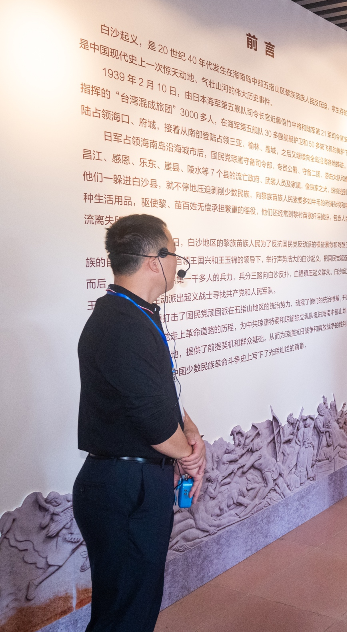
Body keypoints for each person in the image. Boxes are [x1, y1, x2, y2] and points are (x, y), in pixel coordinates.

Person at [73, 214, 207, 632]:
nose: (178, 264)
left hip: (136, 480)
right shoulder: (119, 324)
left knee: (135, 604)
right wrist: (189, 458)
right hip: (123, 487)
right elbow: (153, 422)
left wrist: (191, 432)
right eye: (174, 253)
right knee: (124, 615)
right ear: (155, 260)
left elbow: (160, 393)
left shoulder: (136, 314)